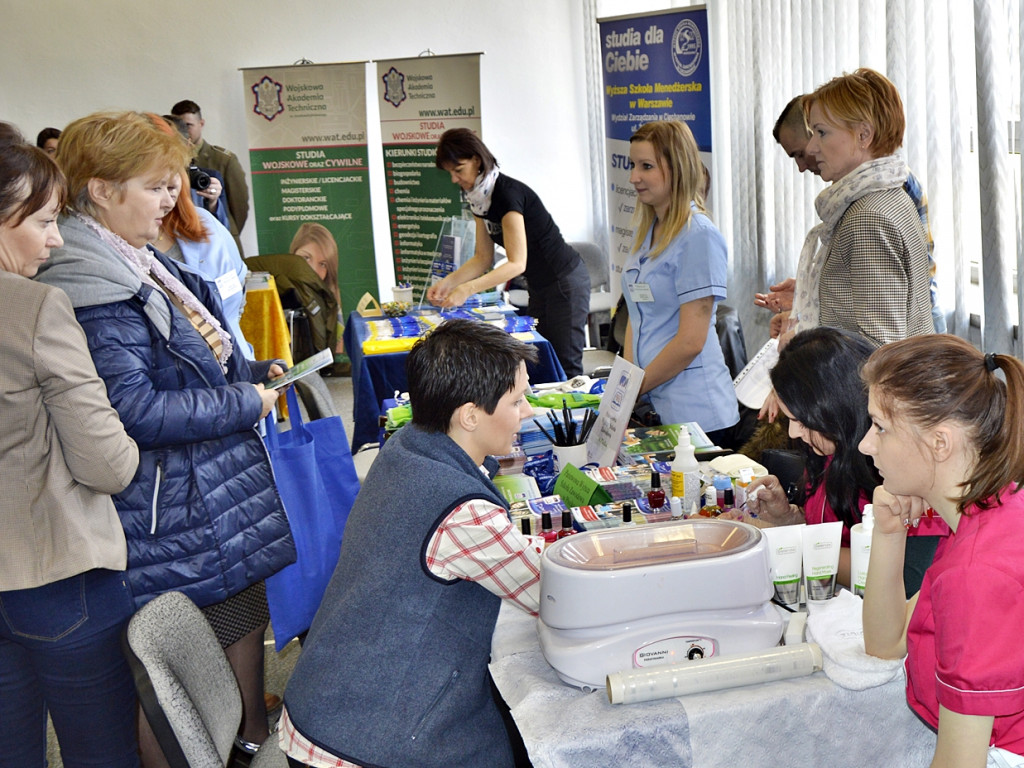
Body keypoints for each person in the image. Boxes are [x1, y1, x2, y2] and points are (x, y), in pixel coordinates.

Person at [34, 111, 295, 760]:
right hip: (170, 509)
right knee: (176, 680)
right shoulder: (95, 288)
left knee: (235, 620)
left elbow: (191, 359)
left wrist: (255, 372)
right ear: (100, 190)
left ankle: (246, 737)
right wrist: (243, 400)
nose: (172, 198)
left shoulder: (140, 262)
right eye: (154, 186)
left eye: (172, 182)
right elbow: (137, 411)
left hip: (205, 493)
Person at [281, 318, 543, 768]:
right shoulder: (462, 512)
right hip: (363, 744)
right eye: (517, 400)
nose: (529, 412)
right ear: (470, 415)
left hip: (324, 708)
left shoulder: (408, 446)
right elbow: (555, 593)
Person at [0, 133, 141, 768]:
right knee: (101, 752)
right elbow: (109, 463)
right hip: (57, 572)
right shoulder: (36, 307)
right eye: (46, 222)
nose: (56, 240)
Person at [860, 335, 1024, 766]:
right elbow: (887, 642)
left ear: (940, 443)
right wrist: (890, 532)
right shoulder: (990, 510)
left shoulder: (976, 572)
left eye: (880, 427)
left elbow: (960, 762)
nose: (865, 445)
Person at [768, 71, 935, 348]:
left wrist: (802, 346)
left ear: (863, 135)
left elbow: (878, 350)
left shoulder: (866, 217)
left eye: (821, 132)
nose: (812, 147)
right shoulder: (890, 192)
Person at [430, 128, 590, 378]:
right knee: (539, 358)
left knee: (566, 366)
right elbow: (482, 257)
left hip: (564, 281)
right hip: (539, 284)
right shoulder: (479, 198)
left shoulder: (506, 194)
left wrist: (468, 289)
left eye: (458, 170)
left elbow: (516, 263)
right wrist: (449, 283)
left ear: (476, 160)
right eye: (449, 172)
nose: (454, 179)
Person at [622, 120, 738, 446]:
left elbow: (691, 341)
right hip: (653, 404)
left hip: (698, 414)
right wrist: (629, 381)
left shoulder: (698, 236)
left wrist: (635, 388)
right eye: (632, 165)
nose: (634, 177)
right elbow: (636, 309)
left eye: (646, 166)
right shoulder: (648, 230)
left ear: (677, 169)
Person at [147, 114, 252, 359]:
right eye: (153, 182)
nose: (167, 192)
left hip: (233, 366)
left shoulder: (206, 224)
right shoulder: (116, 245)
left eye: (173, 169)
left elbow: (236, 298)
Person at [170, 100, 249, 255]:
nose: (182, 131)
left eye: (188, 125)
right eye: (178, 127)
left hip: (222, 241)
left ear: (201, 123)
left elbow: (239, 207)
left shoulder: (223, 160)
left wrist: (225, 230)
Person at [290, 221, 345, 356]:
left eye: (323, 264)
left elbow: (337, 349)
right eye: (306, 258)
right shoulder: (277, 290)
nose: (314, 270)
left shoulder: (330, 295)